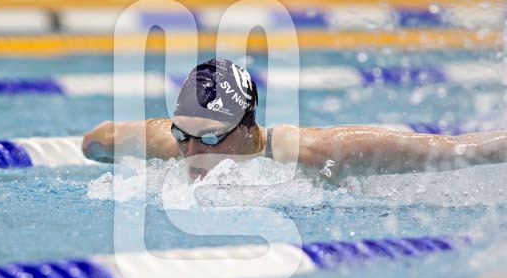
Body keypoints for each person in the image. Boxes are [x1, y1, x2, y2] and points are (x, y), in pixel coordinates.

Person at [82, 58, 507, 182]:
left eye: (209, 139)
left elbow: (453, 149)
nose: (191, 153)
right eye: (183, 135)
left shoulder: (314, 153)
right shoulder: (169, 143)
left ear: (248, 128)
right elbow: (95, 142)